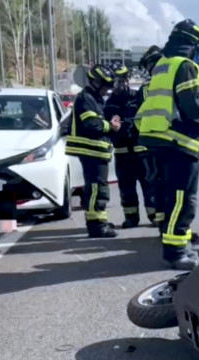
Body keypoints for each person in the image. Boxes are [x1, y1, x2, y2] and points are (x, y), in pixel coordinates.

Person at [137, 19, 199, 270]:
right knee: (183, 198)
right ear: (191, 44)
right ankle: (176, 251)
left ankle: (171, 240)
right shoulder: (186, 66)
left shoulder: (162, 64)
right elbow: (194, 108)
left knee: (167, 195)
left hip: (157, 139)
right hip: (178, 141)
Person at [65, 64, 121, 238]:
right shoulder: (86, 98)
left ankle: (98, 222)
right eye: (106, 86)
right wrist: (111, 126)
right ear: (96, 83)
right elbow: (92, 124)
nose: (107, 90)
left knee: (97, 187)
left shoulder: (94, 99)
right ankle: (97, 226)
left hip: (96, 151)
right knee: (98, 189)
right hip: (91, 151)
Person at [105, 63, 156, 228]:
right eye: (116, 80)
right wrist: (112, 125)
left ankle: (154, 215)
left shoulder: (138, 97)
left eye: (122, 79)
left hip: (142, 151)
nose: (119, 84)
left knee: (149, 185)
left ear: (127, 79)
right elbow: (106, 125)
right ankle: (131, 217)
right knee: (126, 188)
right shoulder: (110, 102)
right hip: (122, 152)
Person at [134, 46, 166, 228]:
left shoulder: (151, 87)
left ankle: (164, 222)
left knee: (161, 184)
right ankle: (165, 223)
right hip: (158, 146)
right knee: (161, 184)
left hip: (156, 144)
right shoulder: (150, 88)